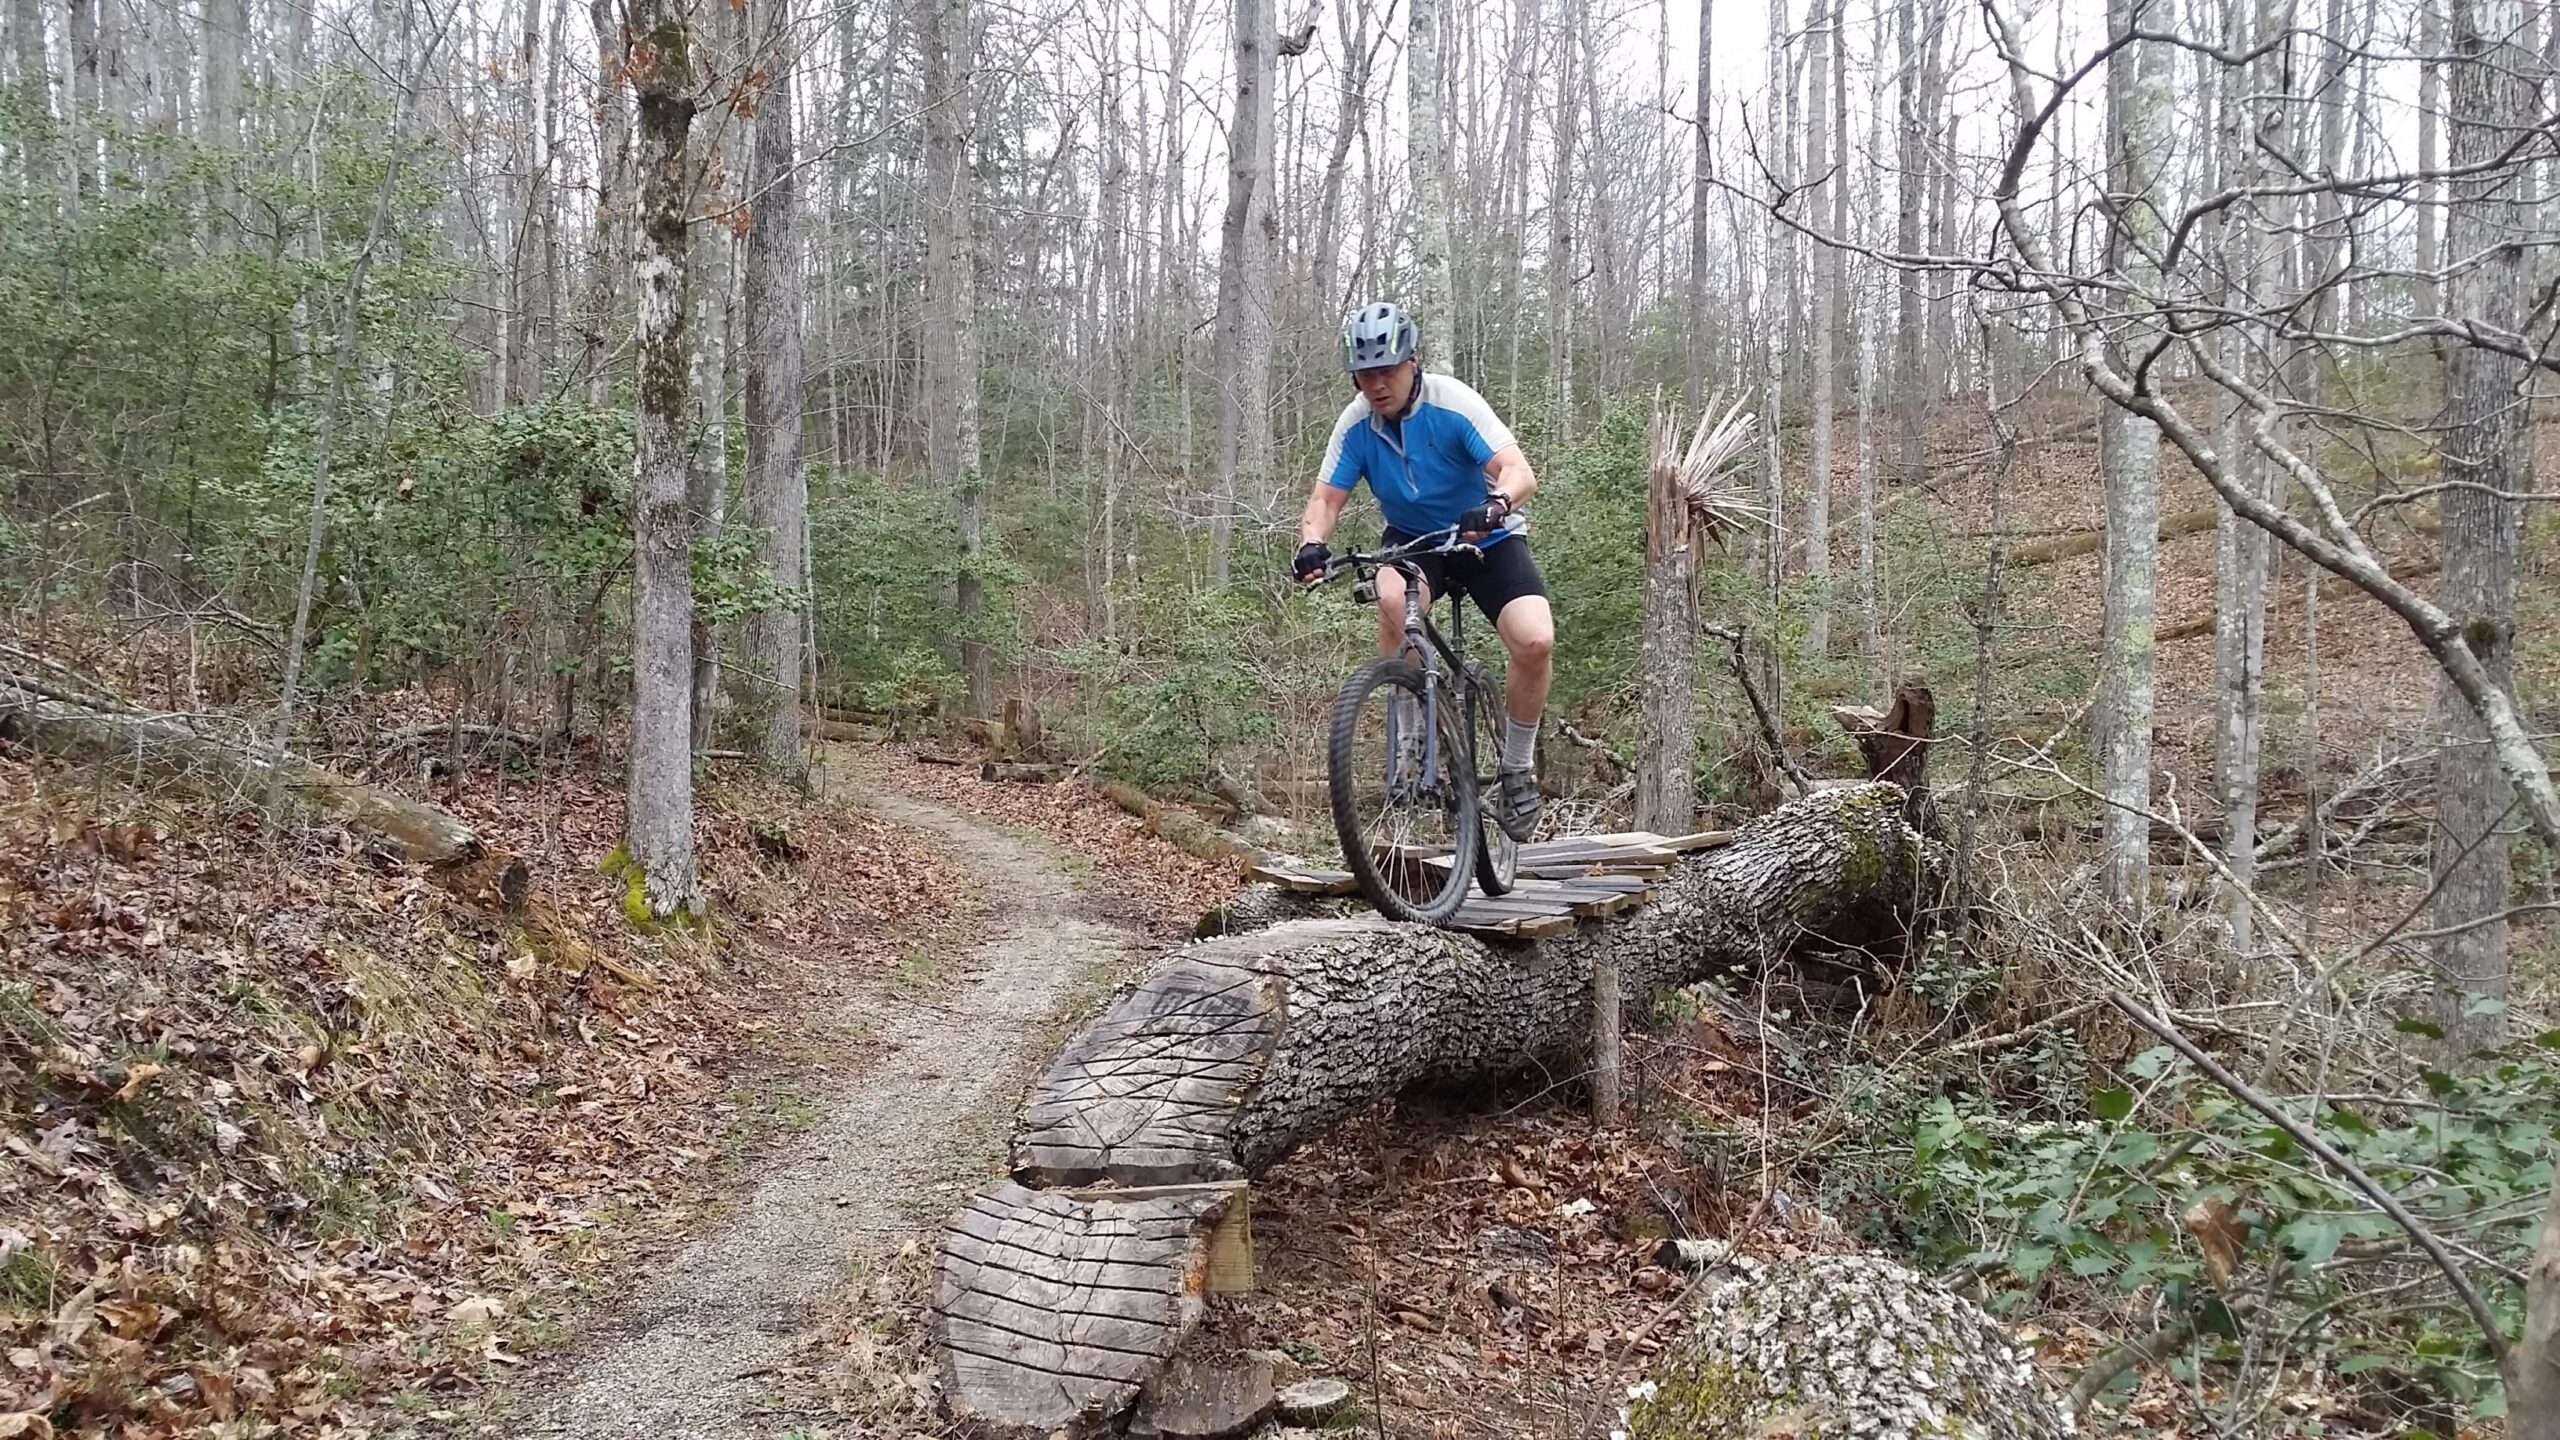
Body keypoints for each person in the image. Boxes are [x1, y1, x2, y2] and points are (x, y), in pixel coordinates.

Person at [1292, 300, 1554, 840]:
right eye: (1365, 374)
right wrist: (1312, 542)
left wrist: (1498, 502)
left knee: (1534, 641)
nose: (1377, 384)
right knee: (1392, 600)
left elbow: (1517, 468)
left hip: (1486, 533)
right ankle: (1413, 741)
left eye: (1387, 369)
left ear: (1414, 362)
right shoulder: (1356, 425)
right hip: (1414, 540)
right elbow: (1325, 500)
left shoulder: (1453, 403)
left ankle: (1517, 768)